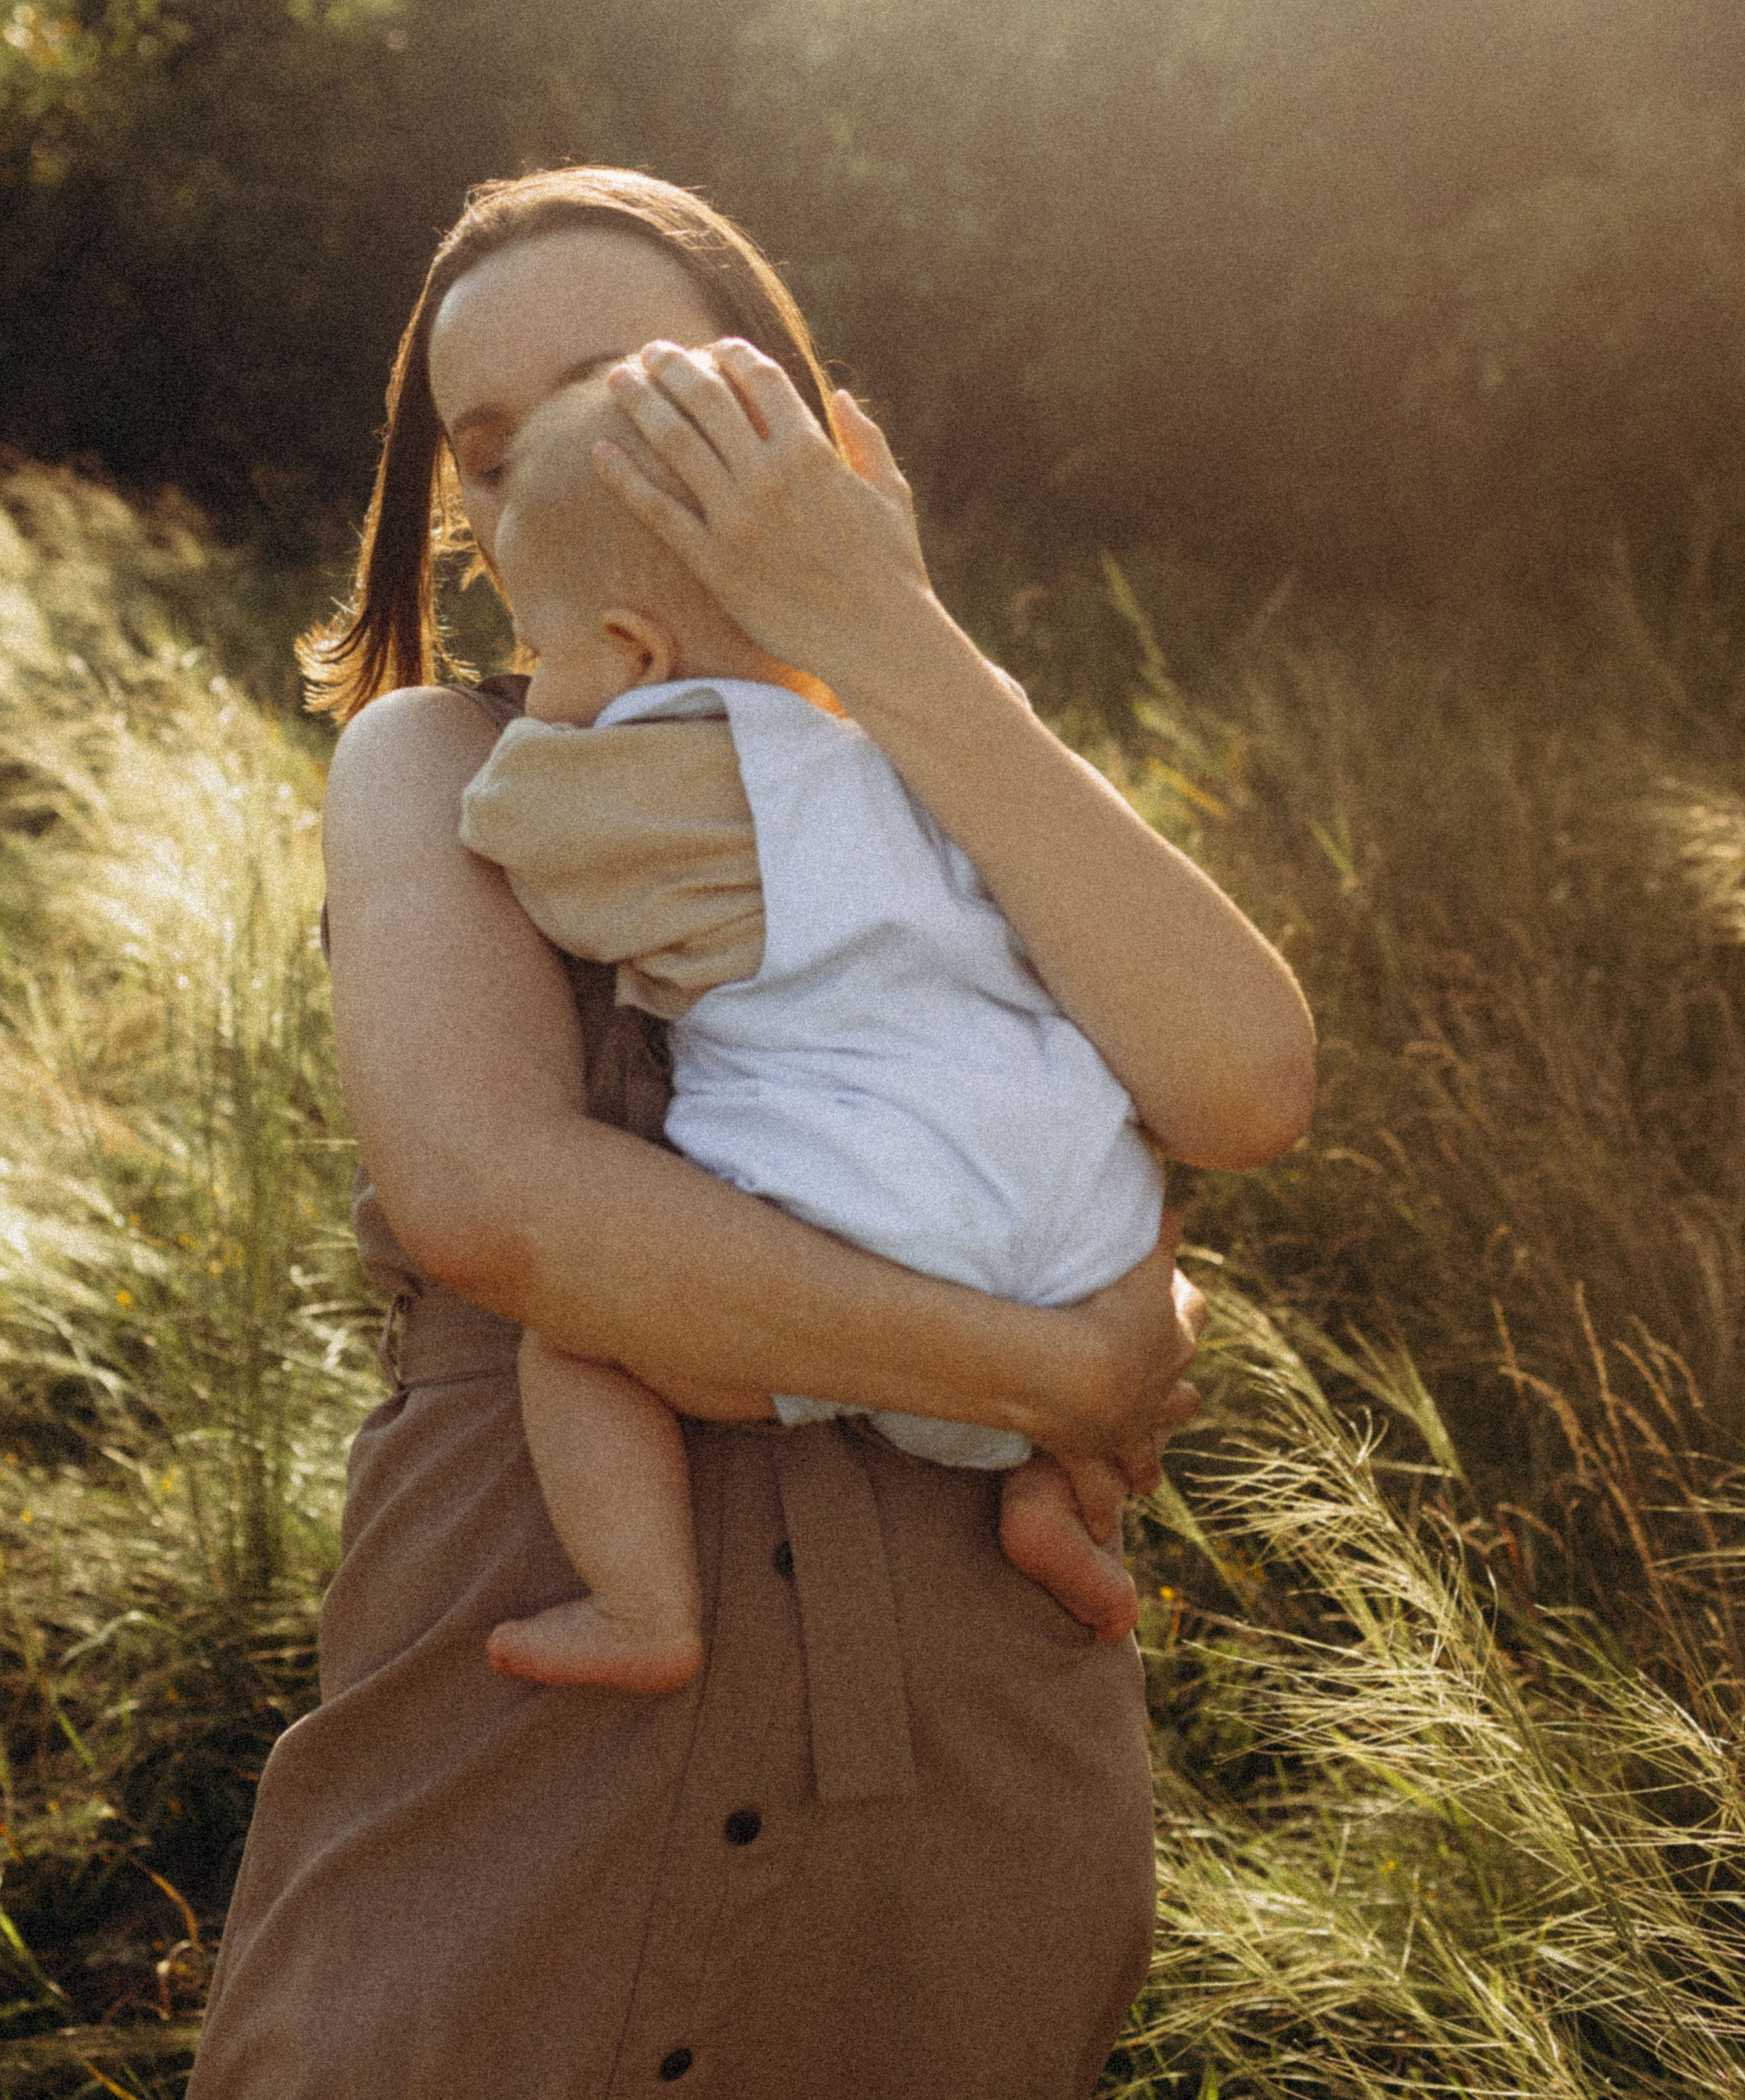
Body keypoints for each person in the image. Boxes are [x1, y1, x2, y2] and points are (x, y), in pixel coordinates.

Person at [62, 166, 1313, 2100]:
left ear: (806, 424)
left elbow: (1240, 1075)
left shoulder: (959, 778)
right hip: (522, 1712)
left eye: (610, 399)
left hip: (960, 1756)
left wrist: (897, 629)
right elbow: (503, 1207)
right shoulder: (442, 766)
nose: (527, 475)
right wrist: (1065, 1364)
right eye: (478, 440)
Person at [456, 365, 1193, 1692]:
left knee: (573, 1343)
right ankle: (1043, 1497)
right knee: (1050, 1336)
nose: (535, 685)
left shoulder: (665, 778)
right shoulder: (911, 748)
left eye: (543, 652)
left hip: (876, 1211)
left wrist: (531, 746)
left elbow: (527, 854)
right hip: (1091, 1207)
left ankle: (643, 1604)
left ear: (634, 653)